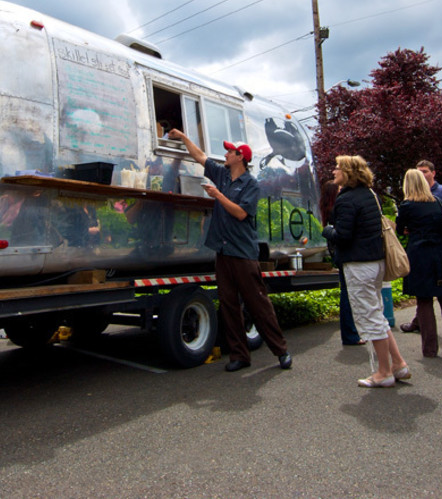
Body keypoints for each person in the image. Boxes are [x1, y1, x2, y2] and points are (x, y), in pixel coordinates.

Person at [167, 128, 292, 372]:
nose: (225, 154)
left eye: (229, 151)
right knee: (228, 305)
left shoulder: (251, 185)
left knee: (258, 305)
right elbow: (200, 156)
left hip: (243, 254)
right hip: (223, 252)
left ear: (240, 157)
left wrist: (217, 195)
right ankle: (240, 356)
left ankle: (281, 351)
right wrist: (183, 138)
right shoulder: (222, 174)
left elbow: (241, 213)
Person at [323, 155, 411, 387]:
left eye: (338, 168)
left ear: (348, 173)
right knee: (378, 314)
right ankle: (399, 364)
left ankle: (383, 372)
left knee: (369, 316)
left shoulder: (346, 199)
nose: (334, 171)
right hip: (375, 261)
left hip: (358, 264)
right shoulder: (371, 195)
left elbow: (343, 235)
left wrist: (327, 230)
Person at [396, 169, 442, 358]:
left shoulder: (407, 206)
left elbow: (400, 229)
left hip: (419, 255)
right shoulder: (439, 202)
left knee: (424, 301)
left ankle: (430, 349)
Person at [322, 180, 362, 346]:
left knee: (347, 292)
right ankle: (351, 334)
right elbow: (343, 234)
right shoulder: (337, 210)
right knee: (349, 294)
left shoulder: (326, 210)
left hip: (337, 253)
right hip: (345, 253)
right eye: (338, 189)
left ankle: (351, 334)